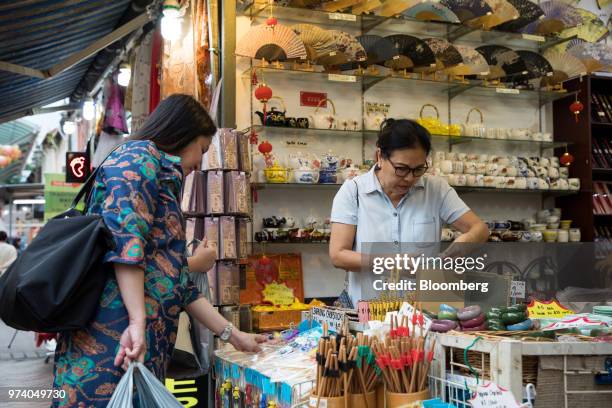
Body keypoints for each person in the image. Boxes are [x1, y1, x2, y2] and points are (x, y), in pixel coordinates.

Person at [52, 94, 265, 406]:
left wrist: (234, 335)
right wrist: (137, 321)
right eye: (202, 150)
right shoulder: (138, 161)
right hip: (112, 344)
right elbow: (128, 249)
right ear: (182, 134)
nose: (198, 164)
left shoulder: (158, 172)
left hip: (137, 347)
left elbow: (177, 284)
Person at [329, 119, 489, 306]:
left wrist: (463, 245)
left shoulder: (436, 189)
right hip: (369, 313)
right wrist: (391, 263)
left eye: (418, 169)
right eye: (401, 169)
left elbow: (480, 229)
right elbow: (338, 255)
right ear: (380, 156)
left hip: (425, 313)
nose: (409, 178)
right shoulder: (354, 191)